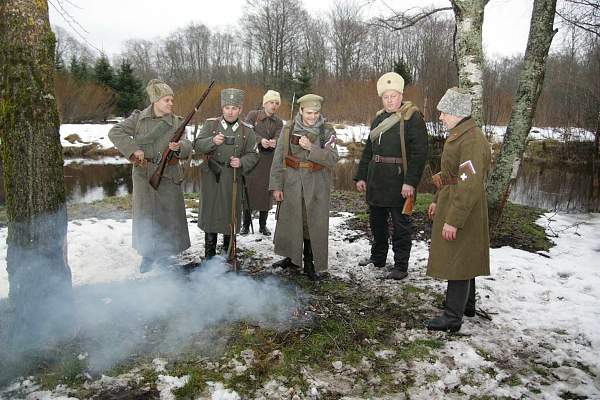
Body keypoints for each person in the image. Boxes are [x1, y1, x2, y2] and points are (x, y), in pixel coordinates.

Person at [108, 79, 192, 273]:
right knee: (146, 215)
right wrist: (133, 150)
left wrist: (179, 148)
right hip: (144, 175)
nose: (171, 103)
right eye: (166, 100)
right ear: (155, 101)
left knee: (168, 216)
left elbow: (188, 147)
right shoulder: (138, 119)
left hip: (169, 175)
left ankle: (165, 254)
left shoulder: (177, 122)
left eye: (172, 100)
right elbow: (115, 132)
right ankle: (147, 254)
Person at [426, 87, 492, 332]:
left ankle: (452, 318)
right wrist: (436, 199)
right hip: (452, 199)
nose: (440, 116)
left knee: (458, 259)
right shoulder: (460, 134)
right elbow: (450, 175)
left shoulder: (472, 140)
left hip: (465, 207)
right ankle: (467, 305)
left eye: (444, 112)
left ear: (457, 112)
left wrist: (454, 220)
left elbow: (469, 183)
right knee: (465, 256)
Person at [354, 72, 429, 280]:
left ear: (401, 94)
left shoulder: (412, 117)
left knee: (400, 226)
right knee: (376, 222)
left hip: (399, 180)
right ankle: (378, 258)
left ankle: (400, 266)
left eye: (393, 96)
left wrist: (410, 182)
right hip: (376, 179)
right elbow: (368, 150)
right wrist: (361, 176)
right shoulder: (378, 118)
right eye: (386, 97)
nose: (390, 100)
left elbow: (419, 154)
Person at [269, 94, 339, 280]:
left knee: (312, 222)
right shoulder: (288, 128)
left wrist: (311, 148)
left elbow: (333, 159)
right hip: (291, 181)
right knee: (291, 220)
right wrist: (276, 186)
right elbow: (278, 159)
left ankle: (309, 263)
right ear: (300, 110)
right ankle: (291, 258)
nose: (313, 116)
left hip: (317, 182)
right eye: (309, 112)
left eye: (316, 113)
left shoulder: (327, 130)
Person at [194, 88, 259, 261]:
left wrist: (242, 162)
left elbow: (254, 154)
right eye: (227, 107)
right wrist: (211, 142)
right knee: (210, 213)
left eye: (234, 108)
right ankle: (209, 255)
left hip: (233, 178)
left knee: (230, 214)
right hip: (212, 177)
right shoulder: (211, 125)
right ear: (222, 108)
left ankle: (228, 253)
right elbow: (197, 145)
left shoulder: (247, 131)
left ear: (240, 109)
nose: (230, 112)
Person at [241, 90, 284, 236]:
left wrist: (275, 142)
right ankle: (245, 225)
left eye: (277, 103)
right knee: (249, 193)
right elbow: (246, 130)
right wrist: (260, 140)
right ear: (265, 103)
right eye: (271, 102)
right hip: (252, 159)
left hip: (269, 161)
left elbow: (280, 135)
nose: (274, 105)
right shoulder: (253, 115)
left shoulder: (278, 121)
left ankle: (263, 225)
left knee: (266, 195)